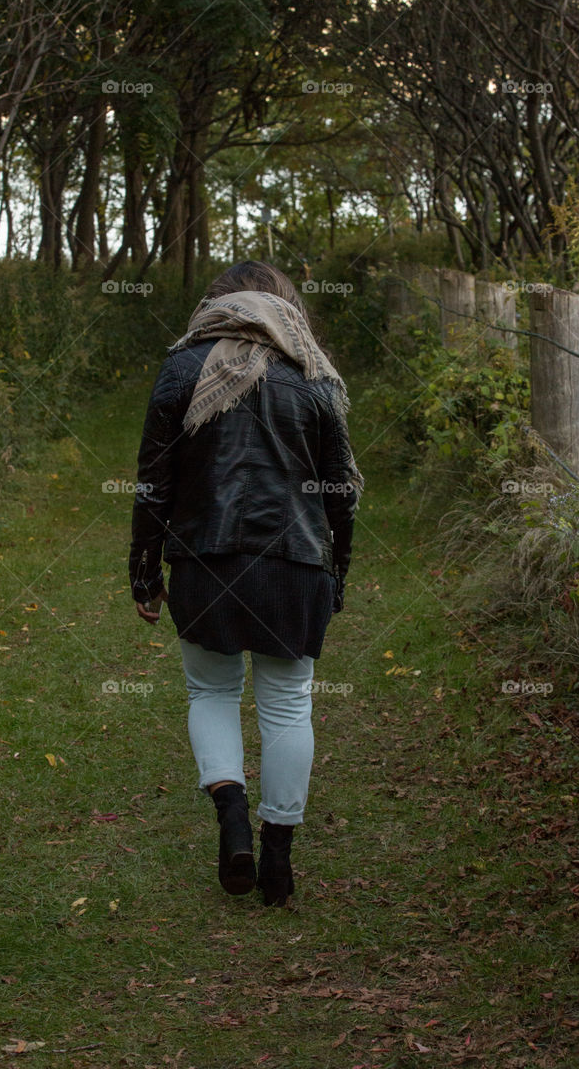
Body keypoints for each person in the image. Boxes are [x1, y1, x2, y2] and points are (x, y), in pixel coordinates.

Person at [128, 261, 362, 905]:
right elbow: (340, 490)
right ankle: (278, 862)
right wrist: (336, 568)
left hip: (204, 562)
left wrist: (143, 572)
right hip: (295, 565)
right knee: (288, 706)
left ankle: (232, 822)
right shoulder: (311, 372)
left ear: (214, 306)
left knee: (210, 691)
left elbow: (154, 483)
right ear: (285, 307)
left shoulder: (182, 369)